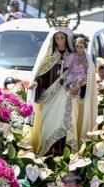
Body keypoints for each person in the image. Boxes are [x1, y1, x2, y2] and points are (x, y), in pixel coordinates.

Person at [27, 22, 97, 156]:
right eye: (57, 38)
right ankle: (47, 158)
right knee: (48, 127)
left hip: (68, 99)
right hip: (50, 100)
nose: (59, 41)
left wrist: (81, 83)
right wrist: (36, 83)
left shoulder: (75, 56)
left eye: (62, 38)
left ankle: (66, 159)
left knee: (67, 127)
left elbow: (85, 74)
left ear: (67, 38)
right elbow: (41, 76)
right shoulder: (48, 58)